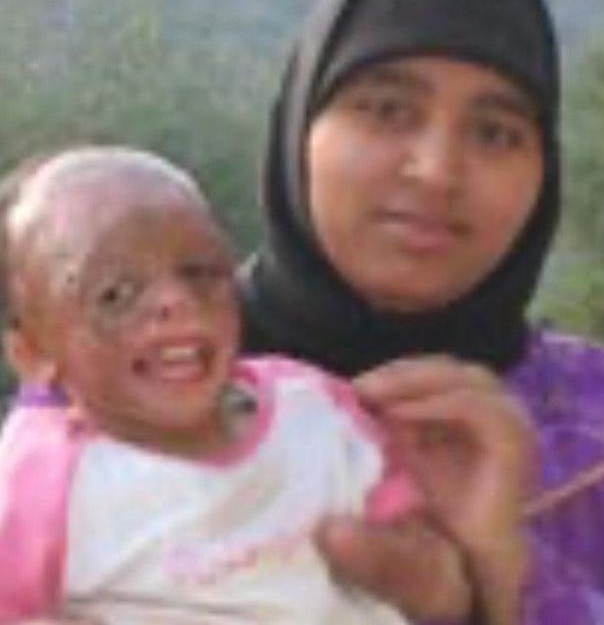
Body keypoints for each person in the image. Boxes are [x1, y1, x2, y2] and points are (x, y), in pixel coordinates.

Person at [238, 0, 604, 622]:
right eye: (386, 110)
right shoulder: (136, 379)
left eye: (494, 133)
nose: (437, 169)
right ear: (299, 125)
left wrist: (505, 567)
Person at [0, 147, 473, 623]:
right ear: (35, 354)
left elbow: (440, 585)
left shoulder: (314, 411)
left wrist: (416, 574)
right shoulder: (41, 479)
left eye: (199, 272)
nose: (175, 300)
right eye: (115, 294)